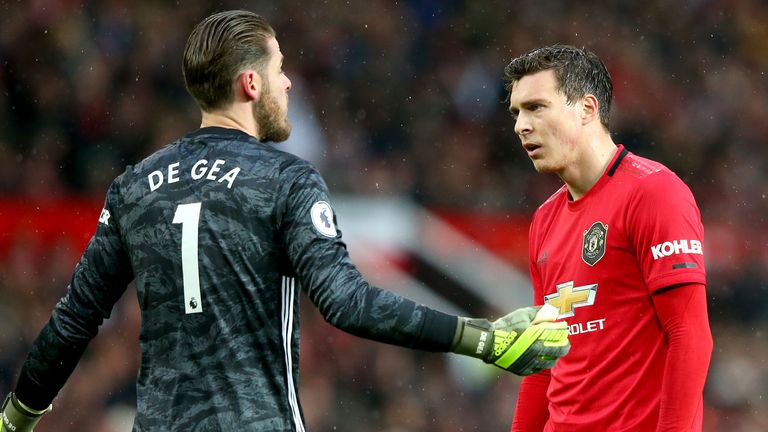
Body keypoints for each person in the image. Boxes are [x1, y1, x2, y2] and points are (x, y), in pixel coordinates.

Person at [0, 11, 570, 432]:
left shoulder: (133, 187)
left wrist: (16, 419)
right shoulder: (284, 180)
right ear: (251, 84)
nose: (288, 84)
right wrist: (483, 338)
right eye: (279, 70)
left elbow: (72, 324)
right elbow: (349, 304)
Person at [504, 44, 713, 431]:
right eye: (516, 112)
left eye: (536, 107)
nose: (521, 125)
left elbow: (690, 336)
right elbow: (543, 361)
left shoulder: (654, 193)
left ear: (587, 108)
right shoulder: (544, 220)